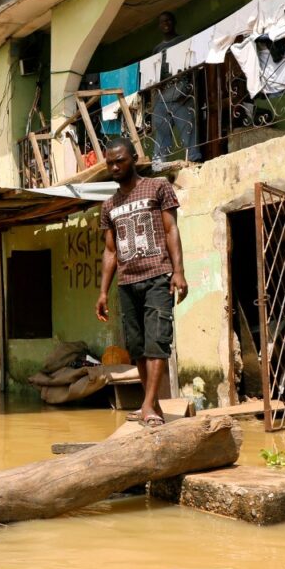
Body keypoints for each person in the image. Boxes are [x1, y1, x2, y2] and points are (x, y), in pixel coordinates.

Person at [94, 137, 187, 427]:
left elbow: (171, 229)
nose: (114, 166)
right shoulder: (109, 205)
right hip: (127, 283)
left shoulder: (158, 187)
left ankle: (146, 403)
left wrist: (178, 271)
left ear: (134, 158)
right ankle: (153, 404)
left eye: (120, 160)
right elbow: (110, 251)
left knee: (156, 342)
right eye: (110, 162)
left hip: (158, 276)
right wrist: (103, 292)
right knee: (136, 348)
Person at [149, 10, 201, 163]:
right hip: (162, 93)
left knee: (187, 126)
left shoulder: (183, 40)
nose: (166, 24)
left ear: (174, 22)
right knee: (161, 130)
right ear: (159, 26)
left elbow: (193, 62)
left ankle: (194, 158)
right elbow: (154, 72)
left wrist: (191, 87)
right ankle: (158, 163)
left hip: (181, 87)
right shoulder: (157, 49)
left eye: (169, 20)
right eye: (163, 22)